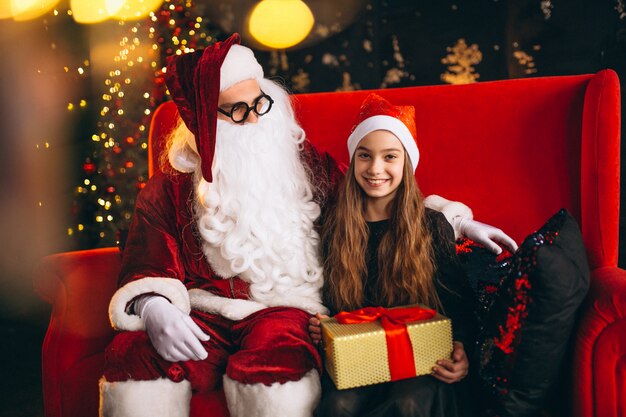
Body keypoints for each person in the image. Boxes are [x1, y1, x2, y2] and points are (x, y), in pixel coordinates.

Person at [98, 33, 515, 417]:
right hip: (205, 312)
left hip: (287, 312)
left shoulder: (306, 164)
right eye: (238, 111)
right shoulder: (169, 189)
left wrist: (457, 221)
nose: (257, 119)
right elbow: (146, 257)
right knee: (132, 352)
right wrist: (154, 306)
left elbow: (380, 197)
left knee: (275, 365)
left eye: (259, 102)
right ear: (205, 124)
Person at [309, 93, 480, 417]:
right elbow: (330, 302)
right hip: (362, 359)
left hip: (423, 358)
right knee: (337, 405)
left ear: (406, 164)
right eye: (365, 156)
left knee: (408, 403)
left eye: (389, 157)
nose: (376, 168)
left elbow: (459, 304)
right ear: (354, 159)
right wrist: (323, 325)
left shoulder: (430, 225)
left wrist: (461, 349)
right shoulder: (334, 226)